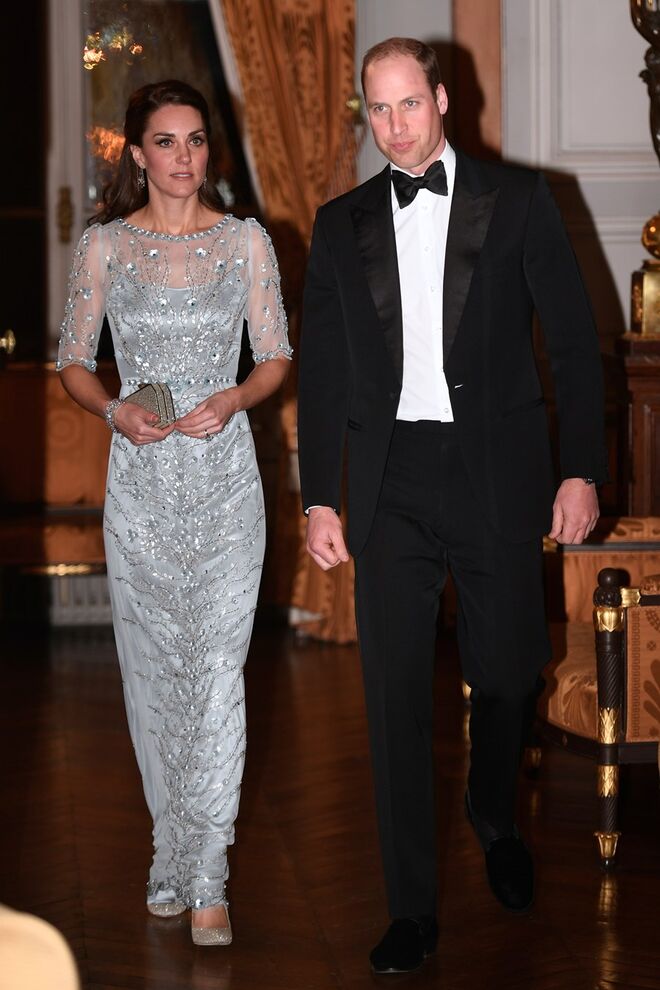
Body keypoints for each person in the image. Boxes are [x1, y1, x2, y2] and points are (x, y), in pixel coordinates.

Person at [297, 38, 606, 975]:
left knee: (511, 671)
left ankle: (493, 809)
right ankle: (412, 910)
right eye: (377, 112)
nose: (395, 127)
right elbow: (321, 372)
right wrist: (319, 497)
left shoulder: (518, 201)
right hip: (391, 481)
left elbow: (576, 344)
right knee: (391, 694)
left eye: (408, 106)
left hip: (496, 473)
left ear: (441, 99)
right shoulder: (340, 221)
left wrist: (580, 469)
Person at [57, 80, 291, 946]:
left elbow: (274, 358)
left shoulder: (245, 242)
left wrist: (234, 398)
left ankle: (210, 877)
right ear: (138, 153)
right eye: (166, 142)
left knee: (216, 677)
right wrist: (113, 408)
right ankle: (170, 850)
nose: (185, 157)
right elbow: (74, 363)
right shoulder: (105, 248)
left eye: (196, 141)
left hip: (227, 485)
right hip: (143, 491)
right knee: (156, 675)